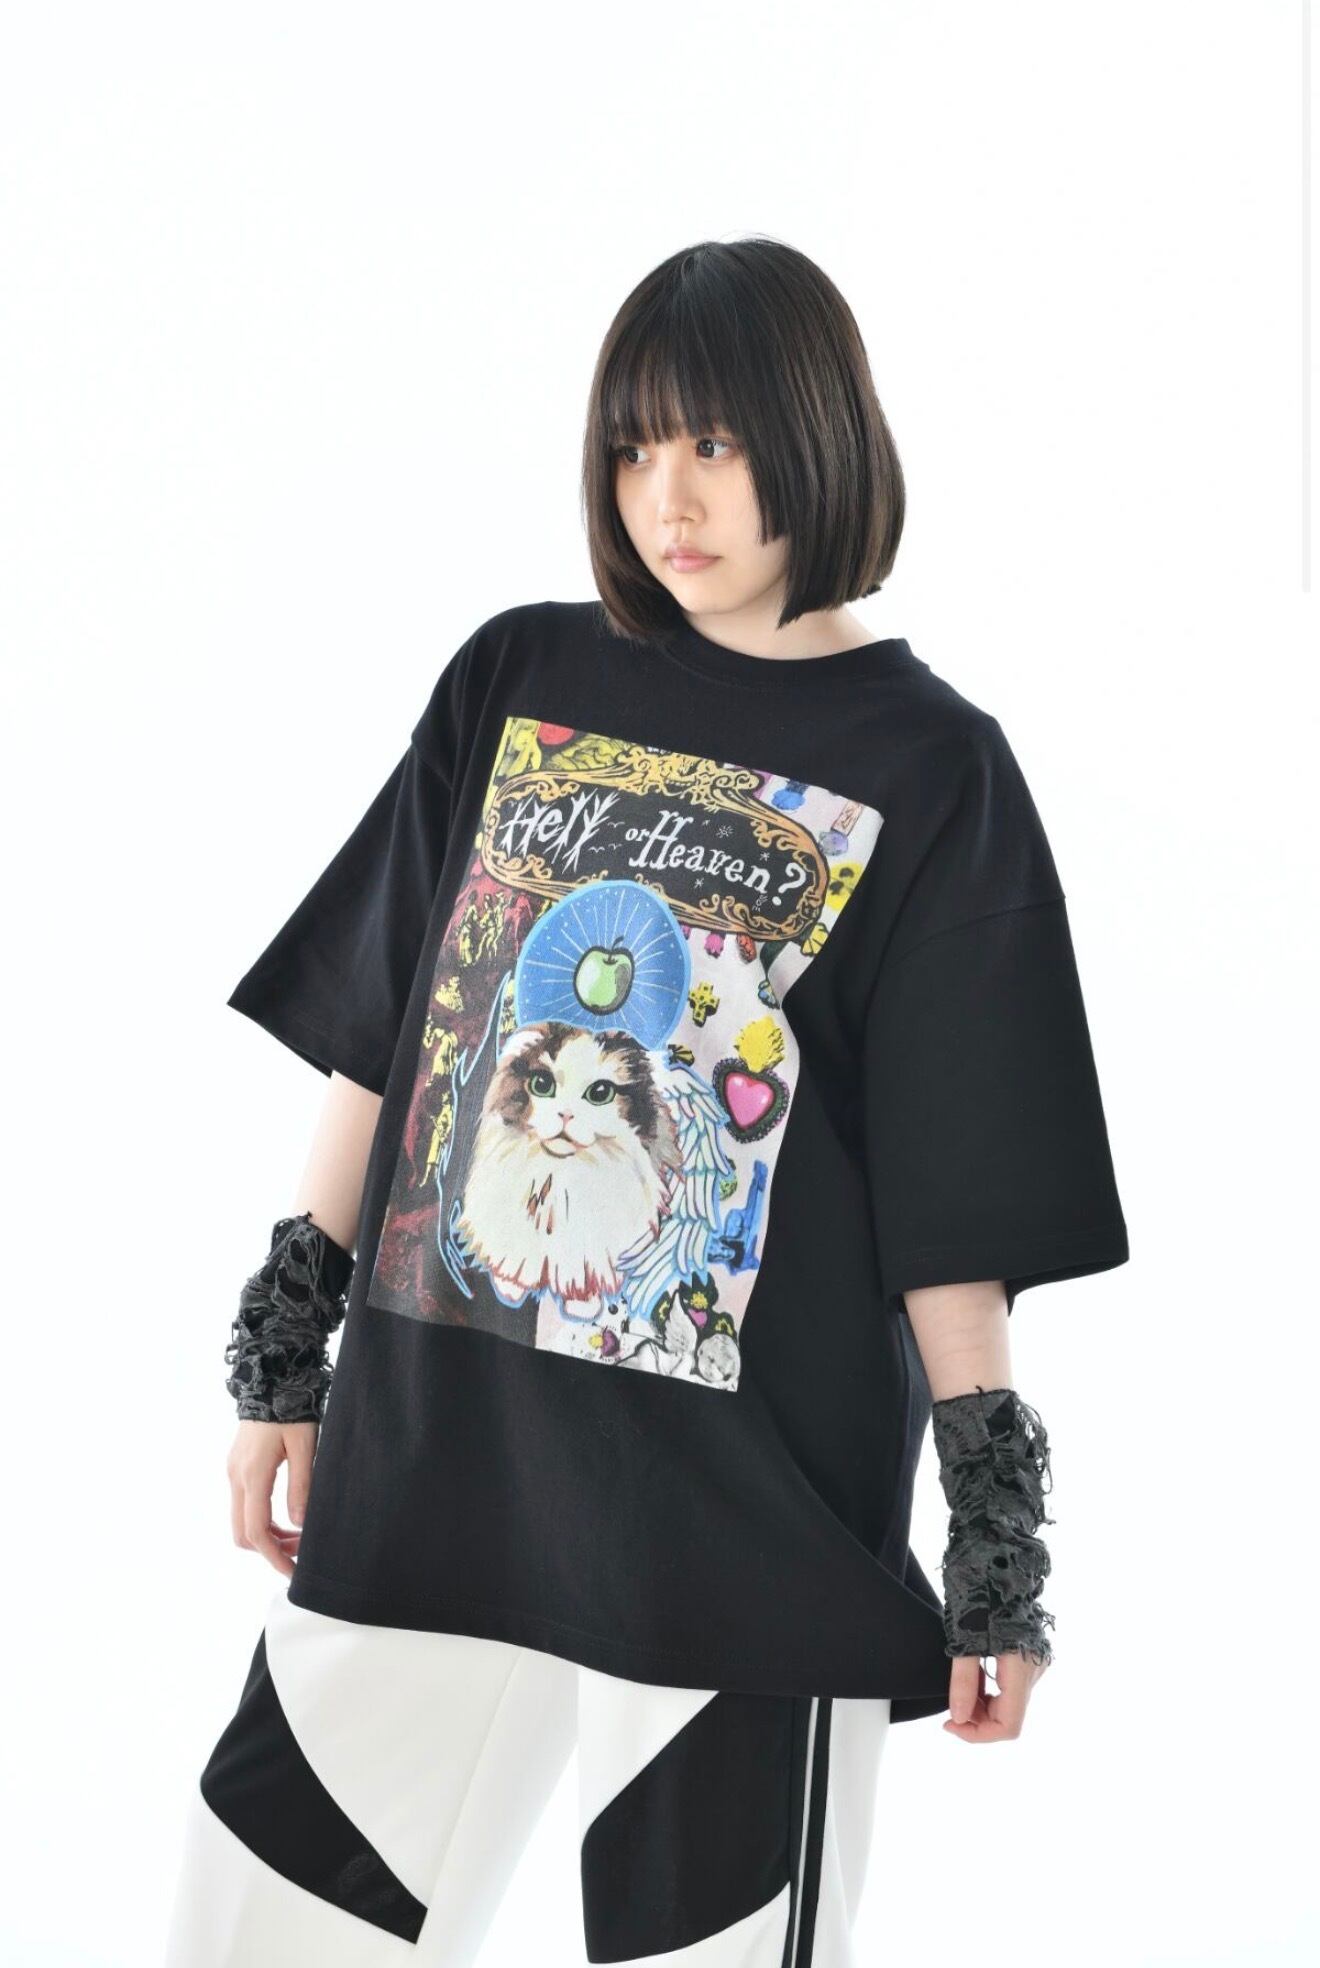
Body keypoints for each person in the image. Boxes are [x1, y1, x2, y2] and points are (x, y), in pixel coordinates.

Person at [165, 235, 1128, 1966]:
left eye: (714, 443)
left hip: (737, 1555)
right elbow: (385, 1039)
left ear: (815, 438)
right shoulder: (516, 678)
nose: (665, 499)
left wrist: (997, 1541)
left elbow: (957, 1197)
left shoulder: (936, 769)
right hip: (433, 1487)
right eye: (631, 448)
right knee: (248, 1932)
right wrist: (283, 1355)